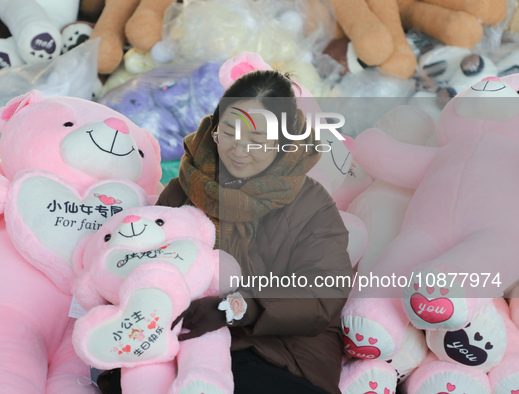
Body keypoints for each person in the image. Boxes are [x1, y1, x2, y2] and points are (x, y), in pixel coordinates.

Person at [98, 70, 353, 394]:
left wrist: (234, 308)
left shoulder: (311, 203)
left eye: (258, 139)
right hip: (181, 340)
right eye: (229, 132)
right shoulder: (183, 190)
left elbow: (322, 292)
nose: (239, 149)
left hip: (280, 350)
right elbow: (146, 263)